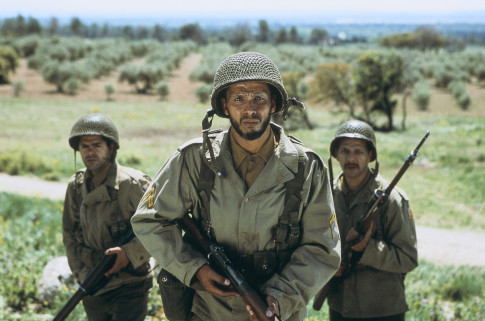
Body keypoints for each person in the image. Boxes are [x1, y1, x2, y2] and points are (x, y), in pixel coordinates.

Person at [131, 51, 340, 321]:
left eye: (259, 98)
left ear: (274, 103)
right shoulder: (195, 159)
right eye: (238, 98)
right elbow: (150, 221)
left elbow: (322, 249)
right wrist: (195, 269)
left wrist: (279, 297)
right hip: (210, 312)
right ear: (225, 106)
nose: (250, 109)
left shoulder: (307, 167)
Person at [62, 113, 153, 321]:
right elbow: (69, 233)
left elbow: (158, 227)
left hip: (129, 284)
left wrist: (128, 252)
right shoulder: (75, 186)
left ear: (111, 148)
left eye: (97, 145)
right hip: (92, 282)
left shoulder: (133, 183)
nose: (90, 152)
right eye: (85, 147)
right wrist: (81, 272)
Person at [326, 120, 418, 321]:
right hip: (339, 307)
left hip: (382, 311)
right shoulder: (326, 196)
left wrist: (368, 248)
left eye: (358, 151)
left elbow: (408, 258)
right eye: (345, 151)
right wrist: (327, 265)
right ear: (336, 154)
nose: (351, 158)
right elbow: (315, 244)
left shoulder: (392, 199)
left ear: (370, 156)